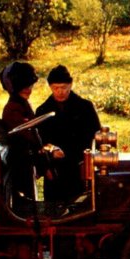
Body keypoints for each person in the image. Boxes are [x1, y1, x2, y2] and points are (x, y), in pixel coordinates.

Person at [35, 64, 101, 202]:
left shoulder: (85, 107)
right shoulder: (42, 111)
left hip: (79, 167)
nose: (60, 92)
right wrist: (45, 167)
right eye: (56, 88)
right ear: (50, 87)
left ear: (70, 85)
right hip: (54, 170)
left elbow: (95, 137)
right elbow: (38, 142)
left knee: (80, 206)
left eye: (64, 87)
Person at [0, 61, 49, 213]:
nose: (28, 89)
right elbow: (29, 137)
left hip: (27, 159)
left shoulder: (22, 103)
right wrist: (44, 163)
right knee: (26, 203)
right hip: (20, 161)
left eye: (30, 86)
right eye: (24, 86)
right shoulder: (13, 109)